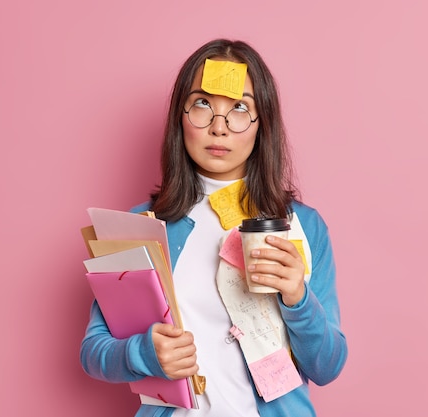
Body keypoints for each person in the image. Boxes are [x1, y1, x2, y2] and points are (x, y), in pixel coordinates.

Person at [80, 39, 347, 417]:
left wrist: (297, 298)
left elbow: (328, 366)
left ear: (262, 124)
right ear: (180, 116)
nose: (219, 128)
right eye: (203, 104)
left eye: (239, 109)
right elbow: (93, 351)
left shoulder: (303, 226)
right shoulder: (138, 226)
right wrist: (143, 352)